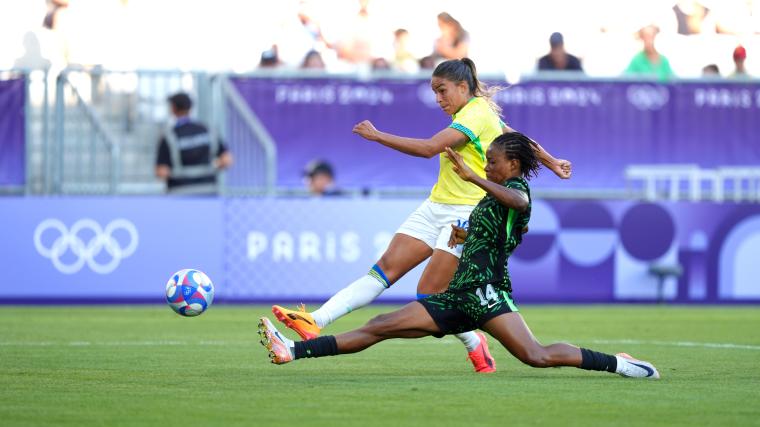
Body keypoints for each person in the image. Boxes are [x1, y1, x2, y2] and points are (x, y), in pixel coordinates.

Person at [259, 132, 660, 380]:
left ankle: (619, 364)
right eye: (485, 162)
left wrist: (473, 177)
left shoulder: (517, 190)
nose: (487, 165)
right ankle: (292, 351)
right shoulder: (493, 196)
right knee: (380, 325)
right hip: (458, 295)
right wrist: (462, 233)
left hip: (486, 294)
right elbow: (492, 232)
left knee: (535, 356)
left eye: (493, 162)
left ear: (513, 165)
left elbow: (519, 204)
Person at [270, 58, 572, 373]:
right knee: (384, 269)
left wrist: (378, 136)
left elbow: (430, 148)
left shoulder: (477, 113)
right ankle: (315, 320)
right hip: (435, 206)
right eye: (434, 92)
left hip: (465, 214)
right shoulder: (478, 114)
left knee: (429, 293)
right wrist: (550, 160)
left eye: (442, 91)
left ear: (462, 86)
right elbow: (516, 138)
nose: (438, 99)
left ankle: (474, 342)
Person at [156, 92, 232, 195]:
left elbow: (162, 172)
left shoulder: (169, 136)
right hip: (208, 190)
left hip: (179, 193)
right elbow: (227, 161)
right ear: (190, 107)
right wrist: (212, 167)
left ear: (173, 108)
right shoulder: (208, 130)